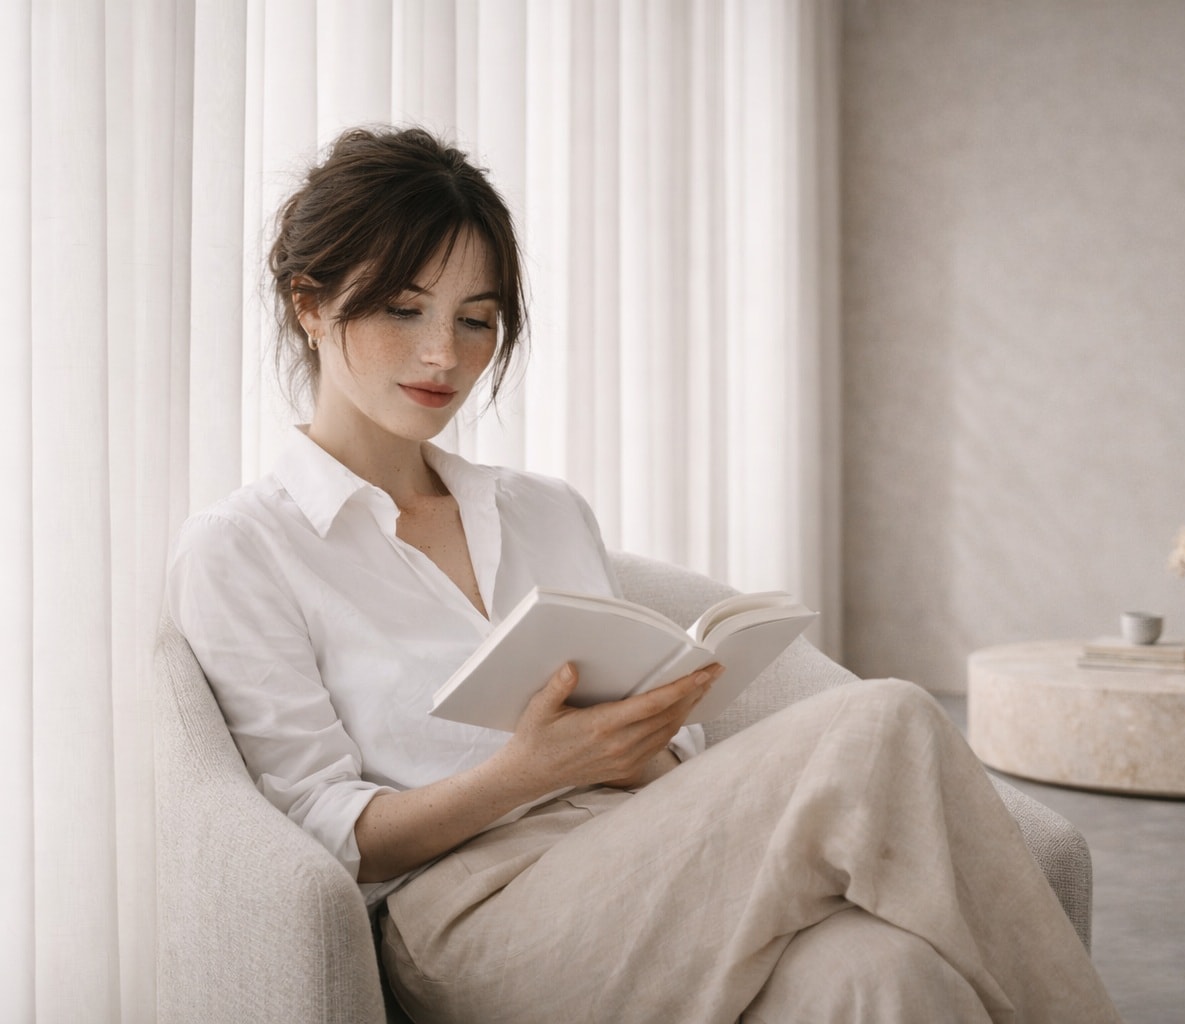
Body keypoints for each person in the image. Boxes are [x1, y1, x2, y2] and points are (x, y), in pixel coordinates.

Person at [167, 125, 1122, 1024]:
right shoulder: (245, 549)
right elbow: (328, 833)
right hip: (469, 913)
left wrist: (645, 737)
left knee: (882, 972)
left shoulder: (543, 510)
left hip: (645, 853)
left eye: (477, 319)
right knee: (887, 720)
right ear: (308, 302)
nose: (443, 355)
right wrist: (526, 773)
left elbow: (662, 754)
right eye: (403, 309)